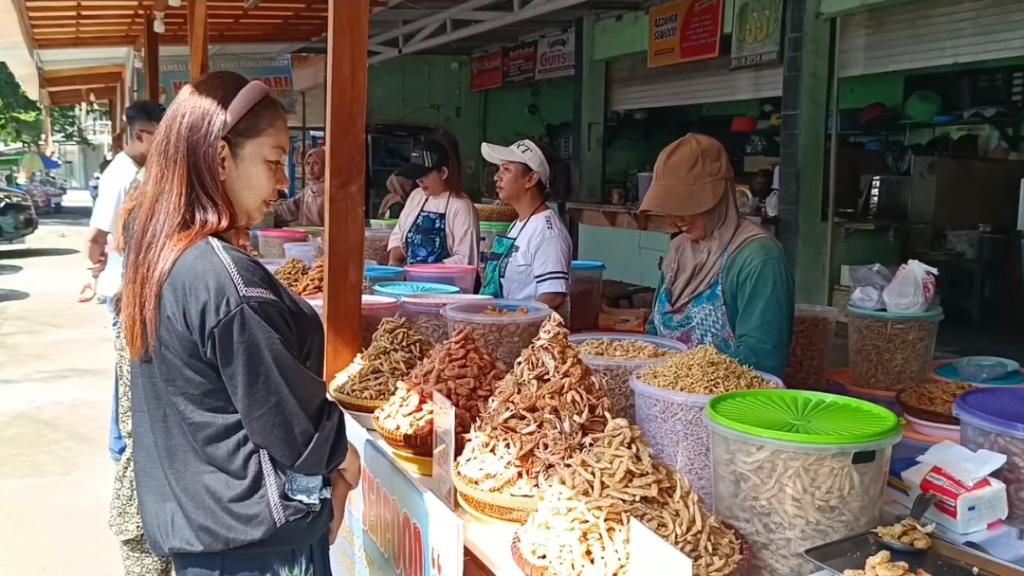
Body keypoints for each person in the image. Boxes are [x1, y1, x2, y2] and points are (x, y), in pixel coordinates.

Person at [117, 71, 358, 576]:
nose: (284, 181)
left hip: (204, 528)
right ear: (220, 157)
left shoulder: (166, 254)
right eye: (273, 161)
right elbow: (287, 420)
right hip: (254, 543)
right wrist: (341, 454)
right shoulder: (221, 278)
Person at [639, 134, 794, 377]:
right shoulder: (679, 249)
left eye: (687, 205)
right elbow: (653, 331)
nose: (677, 218)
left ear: (717, 197)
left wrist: (681, 378)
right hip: (664, 400)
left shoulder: (758, 259)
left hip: (728, 408)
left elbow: (762, 361)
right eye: (672, 207)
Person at [84, 99, 165, 463]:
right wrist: (97, 266)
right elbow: (95, 236)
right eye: (159, 138)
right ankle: (120, 447)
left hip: (130, 285)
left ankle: (124, 444)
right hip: (121, 290)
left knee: (133, 366)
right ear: (139, 135)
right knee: (128, 367)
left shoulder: (139, 170)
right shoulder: (120, 175)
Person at [479, 138, 572, 310]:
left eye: (506, 170)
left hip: (524, 332)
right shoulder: (518, 223)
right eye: (499, 169)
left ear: (530, 179)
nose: (496, 177)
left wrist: (518, 320)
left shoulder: (547, 232)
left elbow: (553, 295)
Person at [386, 136, 479, 266]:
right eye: (417, 175)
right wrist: (394, 263)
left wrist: (427, 271)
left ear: (443, 172)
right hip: (413, 284)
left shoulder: (460, 205)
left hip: (445, 284)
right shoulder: (416, 196)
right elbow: (399, 234)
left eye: (425, 174)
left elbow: (465, 259)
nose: (419, 180)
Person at [273, 147, 325, 227]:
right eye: (308, 164)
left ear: (325, 166)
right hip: (309, 237)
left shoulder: (331, 192)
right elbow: (289, 208)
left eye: (315, 164)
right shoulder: (307, 192)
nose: (310, 168)